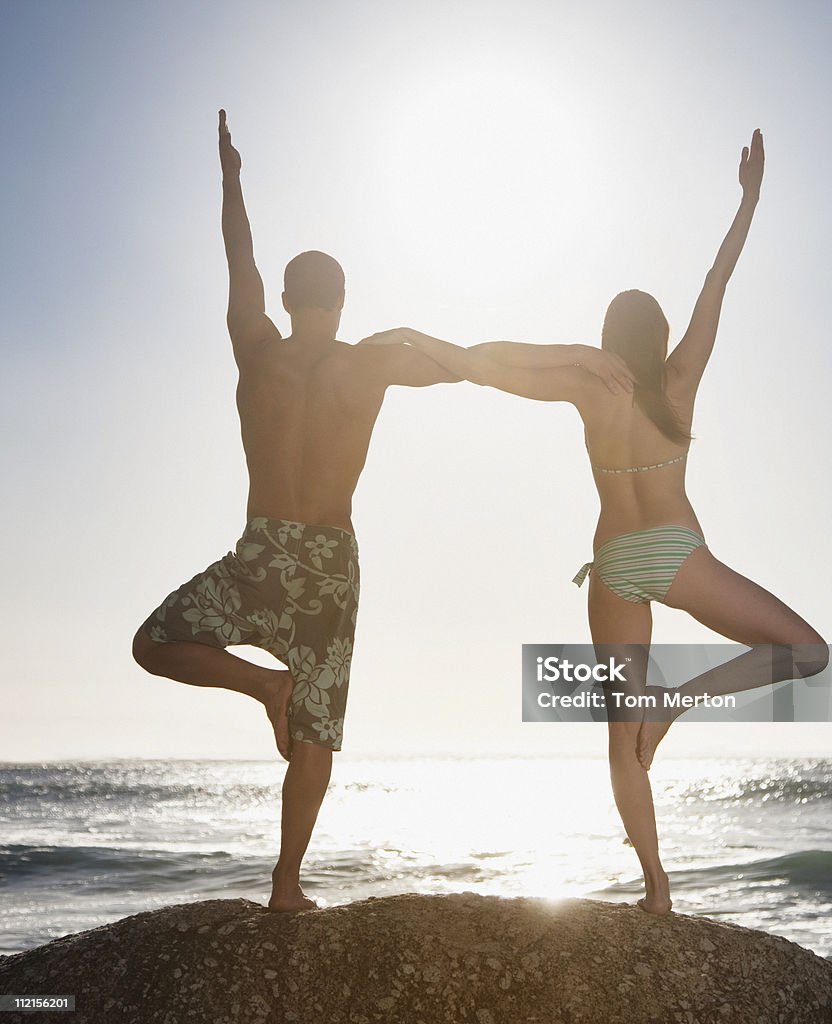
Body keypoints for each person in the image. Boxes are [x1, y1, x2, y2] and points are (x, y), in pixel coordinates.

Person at [131, 112, 627, 913]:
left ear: (290, 299)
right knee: (318, 728)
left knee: (153, 643)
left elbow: (239, 261)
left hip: (259, 555)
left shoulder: (255, 346)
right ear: (344, 299)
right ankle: (286, 884)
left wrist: (231, 179)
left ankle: (261, 688)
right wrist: (569, 355)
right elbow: (476, 365)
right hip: (327, 563)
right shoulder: (370, 367)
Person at [370, 130, 828, 914]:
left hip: (615, 560)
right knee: (806, 652)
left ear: (610, 339)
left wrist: (422, 336)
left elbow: (489, 363)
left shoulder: (589, 387)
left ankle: (657, 889)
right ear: (657, 339)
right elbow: (717, 280)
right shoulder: (680, 380)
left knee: (620, 730)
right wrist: (748, 198)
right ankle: (680, 702)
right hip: (679, 556)